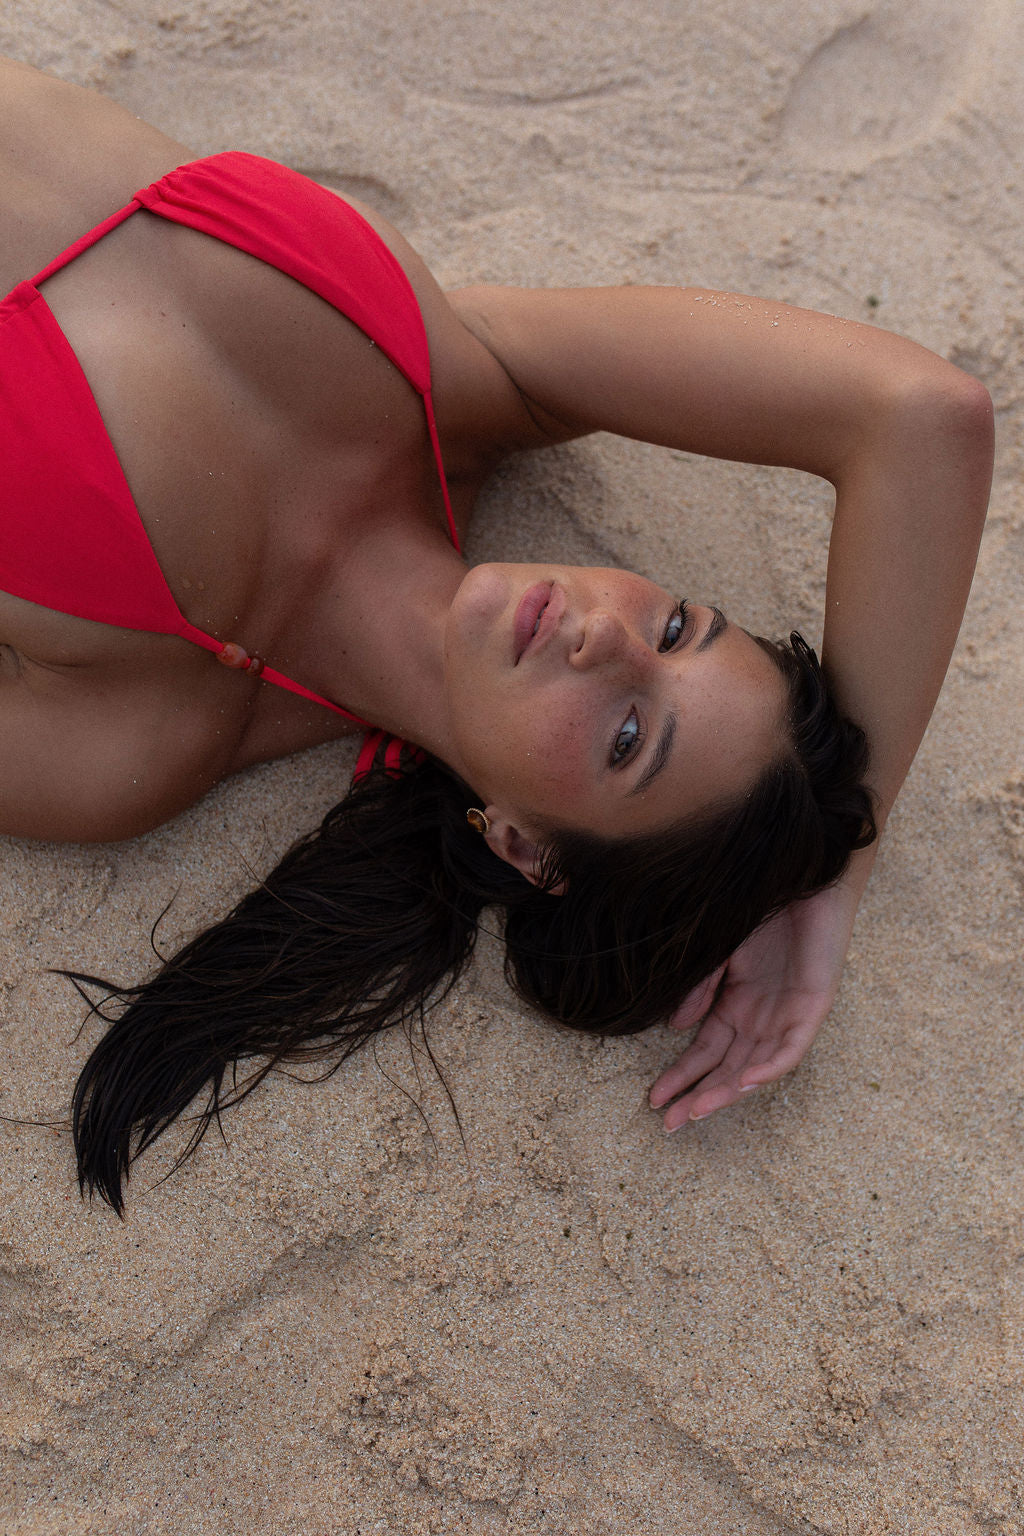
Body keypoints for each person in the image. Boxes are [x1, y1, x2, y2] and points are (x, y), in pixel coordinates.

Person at [0, 60, 993, 1211]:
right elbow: (922, 417)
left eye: (628, 736)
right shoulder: (474, 382)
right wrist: (837, 867)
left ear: (523, 846)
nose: (606, 639)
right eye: (676, 625)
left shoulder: (135, 739)